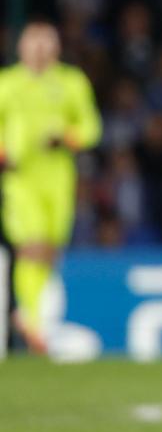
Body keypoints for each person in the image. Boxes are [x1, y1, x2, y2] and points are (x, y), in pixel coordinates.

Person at [0, 21, 101, 355]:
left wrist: (66, 137)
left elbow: (90, 126)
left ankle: (35, 317)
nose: (41, 49)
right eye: (34, 43)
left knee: (49, 251)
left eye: (47, 43)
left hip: (58, 179)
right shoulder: (7, 84)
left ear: (56, 48)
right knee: (31, 245)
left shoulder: (71, 82)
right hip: (21, 179)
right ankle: (30, 318)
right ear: (22, 47)